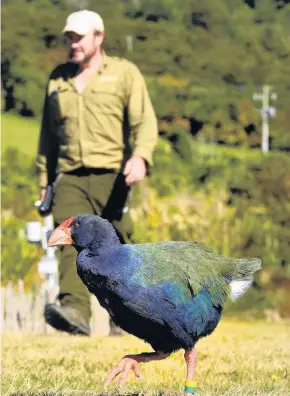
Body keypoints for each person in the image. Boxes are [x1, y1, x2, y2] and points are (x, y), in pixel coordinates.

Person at [36, 9, 158, 336]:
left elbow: (144, 122)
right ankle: (75, 312)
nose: (72, 43)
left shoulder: (124, 73)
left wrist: (141, 157)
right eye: (68, 38)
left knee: (121, 241)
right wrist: (43, 181)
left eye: (78, 37)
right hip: (70, 176)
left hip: (113, 175)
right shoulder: (58, 79)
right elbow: (47, 136)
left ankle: (126, 316)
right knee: (65, 240)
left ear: (98, 37)